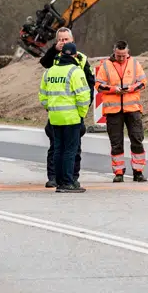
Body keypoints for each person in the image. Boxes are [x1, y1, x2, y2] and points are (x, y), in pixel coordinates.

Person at [38, 27, 94, 188]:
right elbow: (44, 64)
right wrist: (51, 107)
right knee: (57, 146)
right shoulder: (53, 58)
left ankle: (72, 177)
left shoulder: (81, 59)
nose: (63, 43)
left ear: (72, 40)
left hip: (73, 110)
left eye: (66, 40)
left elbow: (89, 84)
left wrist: (83, 108)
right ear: (56, 42)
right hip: (59, 111)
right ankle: (56, 177)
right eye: (60, 40)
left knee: (73, 148)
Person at [94, 41, 148, 183]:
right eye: (119, 55)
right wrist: (113, 89)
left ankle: (138, 171)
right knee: (116, 142)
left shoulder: (135, 64)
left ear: (128, 52)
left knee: (137, 139)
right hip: (113, 110)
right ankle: (118, 172)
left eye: (124, 55)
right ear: (114, 52)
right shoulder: (106, 65)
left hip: (133, 109)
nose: (121, 58)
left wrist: (131, 88)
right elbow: (98, 85)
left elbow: (143, 82)